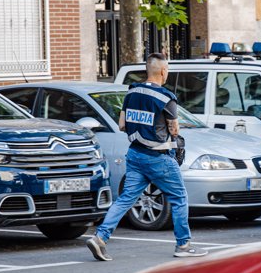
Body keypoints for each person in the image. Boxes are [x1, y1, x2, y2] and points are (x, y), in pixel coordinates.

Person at [86, 53, 208, 261]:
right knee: (179, 198)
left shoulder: (131, 93)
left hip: (135, 154)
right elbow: (175, 130)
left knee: (126, 199)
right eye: (167, 69)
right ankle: (183, 245)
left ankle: (100, 237)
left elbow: (122, 125)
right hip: (159, 157)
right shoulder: (166, 97)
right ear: (163, 71)